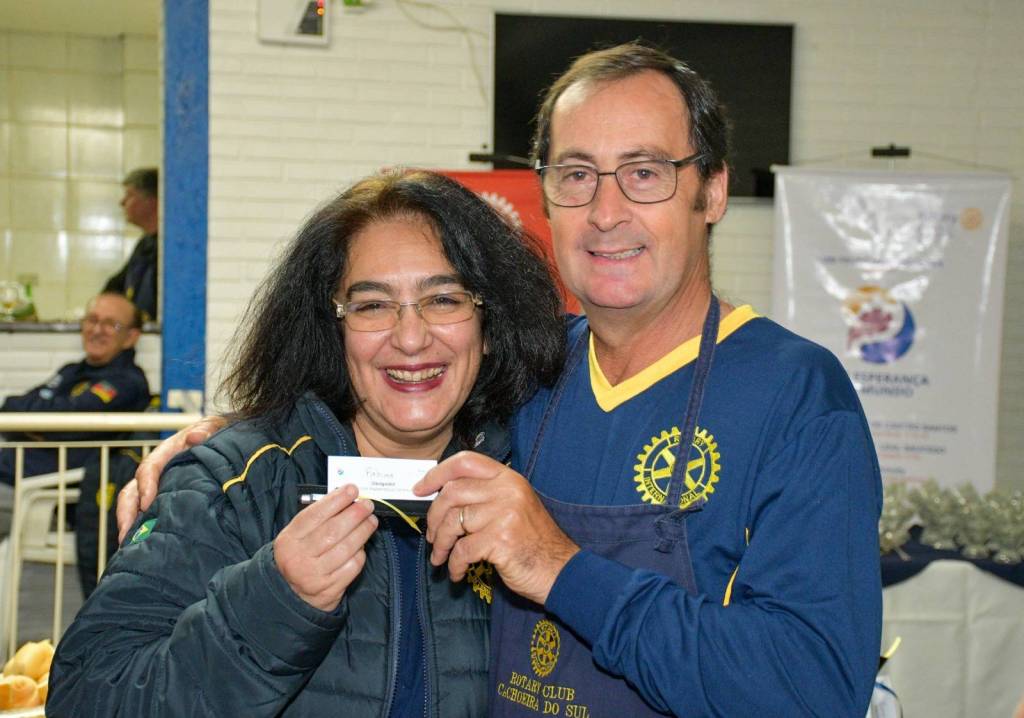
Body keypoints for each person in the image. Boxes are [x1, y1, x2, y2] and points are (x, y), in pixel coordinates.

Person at [117, 42, 883, 717]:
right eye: (576, 174)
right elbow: (392, 414)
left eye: (644, 172)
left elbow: (815, 692)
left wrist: (560, 568)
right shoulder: (530, 376)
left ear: (711, 190)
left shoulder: (794, 397)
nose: (606, 211)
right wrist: (230, 446)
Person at [48, 169, 564, 716]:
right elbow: (86, 697)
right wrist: (274, 603)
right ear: (331, 329)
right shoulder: (234, 484)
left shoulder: (537, 475)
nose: (411, 338)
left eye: (443, 299)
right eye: (372, 305)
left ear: (489, 325)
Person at [0, 292, 151, 485]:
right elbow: (11, 407)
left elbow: (65, 421)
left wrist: (38, 427)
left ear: (130, 337)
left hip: (53, 489)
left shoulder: (128, 382)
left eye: (110, 324)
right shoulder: (71, 371)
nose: (97, 330)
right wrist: (41, 427)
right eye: (92, 320)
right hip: (15, 472)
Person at [104, 167, 159, 321]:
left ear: (151, 201)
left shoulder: (169, 248)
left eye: (129, 195)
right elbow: (116, 286)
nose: (122, 202)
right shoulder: (145, 244)